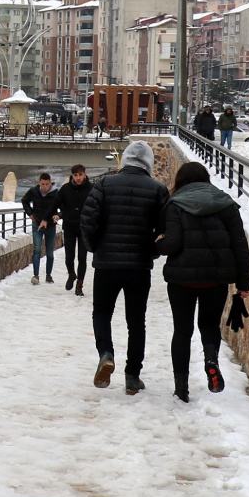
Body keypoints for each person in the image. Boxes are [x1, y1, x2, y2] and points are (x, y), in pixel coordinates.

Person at [79, 139, 169, 394]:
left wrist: (94, 247)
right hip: (139, 267)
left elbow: (87, 220)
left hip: (107, 265)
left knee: (102, 313)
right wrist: (151, 252)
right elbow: (166, 228)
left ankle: (106, 353)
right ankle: (132, 375)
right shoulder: (158, 189)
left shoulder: (105, 184)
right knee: (136, 321)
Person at [158, 161, 249, 401]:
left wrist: (158, 241)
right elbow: (239, 245)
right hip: (215, 280)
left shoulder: (174, 204)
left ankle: (181, 388)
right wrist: (245, 282)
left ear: (180, 181)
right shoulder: (226, 204)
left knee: (182, 331)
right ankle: (211, 358)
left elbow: (173, 244)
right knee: (209, 326)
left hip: (182, 279)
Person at [57, 164, 94, 296]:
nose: (78, 178)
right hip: (69, 227)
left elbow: (97, 207)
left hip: (84, 228)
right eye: (75, 175)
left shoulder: (91, 189)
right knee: (69, 257)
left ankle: (79, 284)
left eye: (80, 175)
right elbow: (56, 203)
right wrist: (46, 218)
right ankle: (71, 274)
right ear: (72, 176)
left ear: (85, 174)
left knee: (82, 258)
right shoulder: (66, 189)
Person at [22, 173, 62, 284]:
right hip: (37, 224)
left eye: (47, 184)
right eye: (42, 184)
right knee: (37, 250)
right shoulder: (34, 191)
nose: (44, 187)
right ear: (39, 183)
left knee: (49, 252)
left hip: (50, 225)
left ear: (51, 183)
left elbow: (63, 208)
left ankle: (48, 275)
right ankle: (36, 275)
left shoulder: (56, 194)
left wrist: (58, 215)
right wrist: (30, 213)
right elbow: (24, 201)